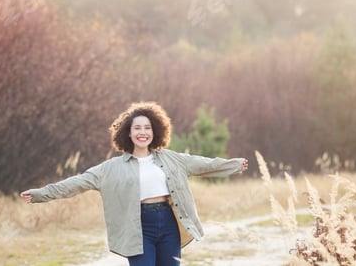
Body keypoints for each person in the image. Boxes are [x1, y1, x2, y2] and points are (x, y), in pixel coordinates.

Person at [20, 101, 248, 266]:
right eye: (137, 128)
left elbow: (204, 164)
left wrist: (234, 165)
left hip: (169, 224)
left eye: (147, 128)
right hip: (138, 228)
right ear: (128, 133)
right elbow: (77, 182)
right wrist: (42, 194)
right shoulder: (111, 168)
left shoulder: (170, 158)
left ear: (155, 131)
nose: (143, 132)